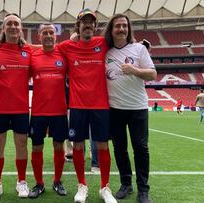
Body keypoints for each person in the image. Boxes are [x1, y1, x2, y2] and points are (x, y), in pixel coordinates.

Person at [57, 8, 117, 203]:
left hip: (101, 105)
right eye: (84, 22)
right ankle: (82, 185)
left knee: (102, 145)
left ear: (95, 26)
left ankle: (104, 187)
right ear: (78, 26)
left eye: (91, 22)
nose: (88, 24)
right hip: (77, 105)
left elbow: (121, 38)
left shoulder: (103, 43)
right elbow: (46, 49)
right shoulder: (67, 46)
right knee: (78, 145)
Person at [103, 13, 157, 203]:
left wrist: (135, 70)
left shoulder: (139, 49)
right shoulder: (105, 51)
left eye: (124, 26)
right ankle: (126, 183)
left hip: (138, 107)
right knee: (119, 148)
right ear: (111, 29)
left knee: (141, 148)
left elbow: (153, 74)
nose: (121, 29)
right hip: (115, 108)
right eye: (117, 26)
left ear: (129, 28)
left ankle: (143, 190)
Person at [0, 13, 31, 202]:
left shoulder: (29, 51)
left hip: (21, 107)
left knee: (21, 144)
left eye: (16, 24)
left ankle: (22, 181)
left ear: (21, 28)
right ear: (3, 28)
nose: (13, 26)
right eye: (9, 24)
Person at [27, 23, 68, 199]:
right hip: (38, 111)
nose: (48, 35)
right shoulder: (33, 55)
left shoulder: (63, 54)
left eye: (51, 32)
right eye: (45, 33)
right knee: (37, 147)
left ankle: (57, 181)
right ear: (39, 36)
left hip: (59, 111)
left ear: (56, 35)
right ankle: (39, 183)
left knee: (59, 146)